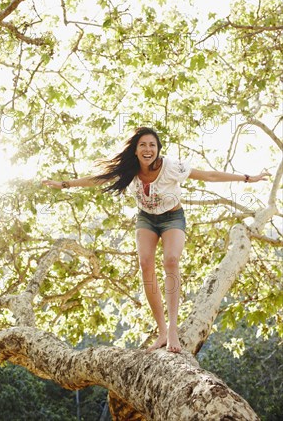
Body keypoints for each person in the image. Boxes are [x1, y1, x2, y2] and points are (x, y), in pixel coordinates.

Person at [42, 127, 270, 353]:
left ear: (158, 149)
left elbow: (208, 175)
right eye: (143, 145)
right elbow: (98, 179)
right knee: (145, 264)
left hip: (173, 218)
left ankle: (172, 330)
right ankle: (161, 331)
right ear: (136, 150)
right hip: (146, 219)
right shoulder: (129, 170)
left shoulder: (171, 167)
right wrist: (64, 184)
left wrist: (248, 178)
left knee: (171, 260)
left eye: (152, 145)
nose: (148, 149)